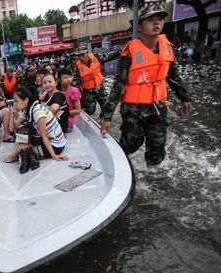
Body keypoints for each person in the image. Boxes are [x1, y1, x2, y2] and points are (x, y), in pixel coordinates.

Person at [100, 2, 193, 171]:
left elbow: (173, 77)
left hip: (157, 105)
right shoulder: (129, 52)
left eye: (159, 19)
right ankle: (116, 168)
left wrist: (184, 98)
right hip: (132, 107)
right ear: (140, 27)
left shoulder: (167, 48)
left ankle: (153, 173)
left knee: (157, 144)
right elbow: (118, 84)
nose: (156, 23)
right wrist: (107, 117)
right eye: (150, 20)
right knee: (131, 142)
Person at [6, 86, 68, 173]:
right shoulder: (28, 110)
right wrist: (12, 115)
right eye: (14, 101)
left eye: (16, 101)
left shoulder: (37, 111)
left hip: (55, 146)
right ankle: (27, 156)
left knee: (19, 145)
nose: (14, 104)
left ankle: (24, 155)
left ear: (26, 100)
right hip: (48, 141)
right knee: (19, 139)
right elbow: (12, 129)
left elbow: (44, 136)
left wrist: (54, 156)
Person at [70, 45, 120, 118]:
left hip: (99, 86)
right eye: (79, 56)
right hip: (88, 90)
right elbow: (75, 82)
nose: (81, 58)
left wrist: (119, 53)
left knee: (106, 105)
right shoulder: (77, 67)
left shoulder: (95, 57)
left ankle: (103, 118)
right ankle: (84, 115)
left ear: (87, 53)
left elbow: (108, 56)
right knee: (90, 110)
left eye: (83, 55)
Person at [59, 68, 82, 133]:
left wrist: (61, 113)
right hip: (57, 121)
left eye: (70, 77)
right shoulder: (57, 91)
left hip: (68, 123)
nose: (69, 79)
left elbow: (78, 111)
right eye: (65, 77)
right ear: (58, 80)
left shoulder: (74, 91)